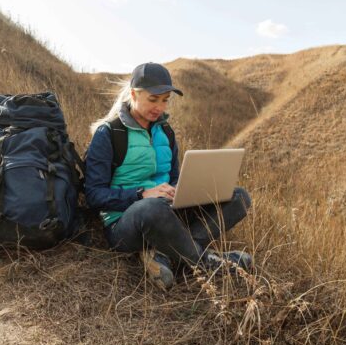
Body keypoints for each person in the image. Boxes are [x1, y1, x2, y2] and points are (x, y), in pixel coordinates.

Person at [84, 62, 252, 290]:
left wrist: (182, 191)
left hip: (168, 212)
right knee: (151, 207)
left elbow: (173, 177)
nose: (159, 107)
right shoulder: (109, 134)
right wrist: (142, 194)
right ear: (134, 94)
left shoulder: (166, 132)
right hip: (127, 222)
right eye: (153, 100)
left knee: (239, 197)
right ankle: (205, 262)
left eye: (165, 100)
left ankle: (162, 254)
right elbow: (94, 195)